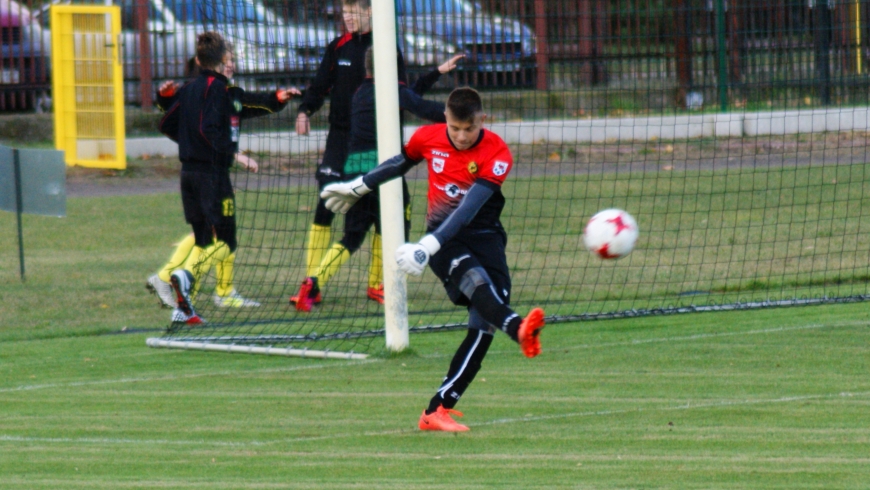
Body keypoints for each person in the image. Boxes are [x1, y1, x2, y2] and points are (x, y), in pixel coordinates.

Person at [321, 87, 546, 431]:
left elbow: (469, 210)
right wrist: (359, 186)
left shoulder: (497, 152)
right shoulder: (428, 137)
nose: (461, 136)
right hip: (447, 243)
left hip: (483, 238)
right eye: (455, 128)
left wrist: (427, 244)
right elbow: (400, 162)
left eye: (468, 129)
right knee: (477, 286)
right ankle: (518, 329)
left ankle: (436, 409)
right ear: (445, 119)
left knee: (483, 327)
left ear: (481, 121)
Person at [293, 49, 465, 311]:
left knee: (352, 236)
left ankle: (312, 283)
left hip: (355, 170)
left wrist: (436, 73)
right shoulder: (390, 91)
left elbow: (408, 95)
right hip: (383, 171)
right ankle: (379, 284)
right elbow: (422, 106)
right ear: (392, 69)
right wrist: (463, 118)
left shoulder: (361, 91)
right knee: (395, 227)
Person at [158, 31, 297, 324]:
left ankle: (182, 303)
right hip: (212, 175)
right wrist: (234, 154)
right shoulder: (218, 90)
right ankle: (185, 279)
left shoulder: (191, 89)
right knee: (227, 239)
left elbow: (166, 121)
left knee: (204, 239)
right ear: (221, 60)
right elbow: (209, 129)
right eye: (230, 58)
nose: (232, 63)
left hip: (189, 174)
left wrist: (276, 99)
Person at [292, 0, 409, 307]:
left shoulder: (385, 47)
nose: (349, 18)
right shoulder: (338, 47)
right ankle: (310, 283)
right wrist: (305, 110)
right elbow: (319, 86)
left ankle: (377, 284)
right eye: (345, 13)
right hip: (340, 139)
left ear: (370, 12)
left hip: (375, 142)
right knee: (325, 204)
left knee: (384, 211)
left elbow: (403, 92)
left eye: (354, 12)